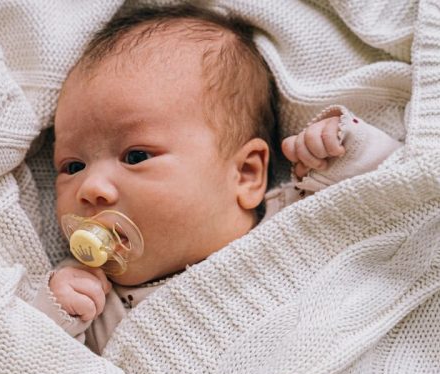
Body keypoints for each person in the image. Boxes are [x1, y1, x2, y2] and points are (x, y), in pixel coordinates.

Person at [32, 4, 401, 354]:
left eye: (136, 156)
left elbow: (394, 202)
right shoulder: (90, 297)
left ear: (246, 174)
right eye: (73, 166)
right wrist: (53, 315)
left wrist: (348, 147)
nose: (91, 188)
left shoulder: (295, 216)